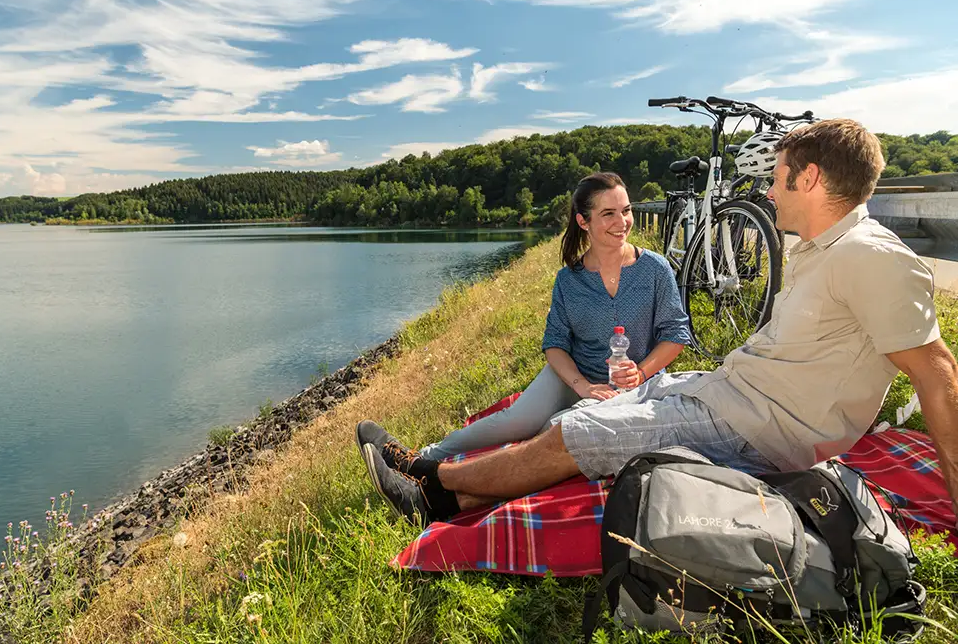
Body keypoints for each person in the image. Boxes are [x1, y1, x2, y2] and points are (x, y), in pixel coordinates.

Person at [356, 118, 958, 529]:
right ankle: (442, 480)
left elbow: (937, 374)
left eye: (776, 179)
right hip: (732, 394)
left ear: (811, 179)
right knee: (583, 415)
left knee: (578, 437)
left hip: (759, 429)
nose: (769, 192)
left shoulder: (871, 257)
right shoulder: (822, 249)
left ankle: (431, 489)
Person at [413, 171, 691, 461]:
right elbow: (555, 343)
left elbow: (676, 333)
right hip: (573, 374)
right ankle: (425, 457)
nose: (622, 223)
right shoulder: (569, 280)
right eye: (608, 213)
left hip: (633, 383)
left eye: (626, 210)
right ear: (584, 221)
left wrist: (642, 372)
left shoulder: (655, 269)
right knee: (516, 421)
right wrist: (582, 386)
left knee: (553, 433)